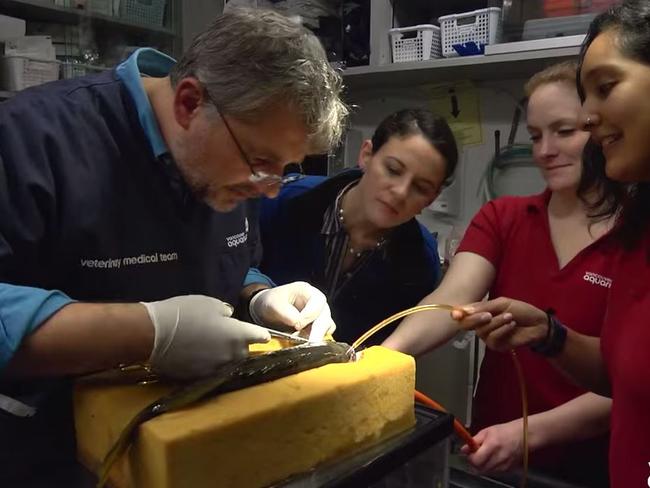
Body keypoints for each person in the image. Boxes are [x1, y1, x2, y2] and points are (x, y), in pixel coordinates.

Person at [0, 8, 347, 484]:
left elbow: (230, 258)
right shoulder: (30, 139)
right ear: (188, 103)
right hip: (47, 456)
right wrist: (148, 332)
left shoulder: (232, 159)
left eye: (284, 170)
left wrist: (259, 296)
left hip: (185, 450)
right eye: (262, 162)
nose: (270, 190)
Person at [383, 62, 619, 486]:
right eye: (534, 135)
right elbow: (451, 299)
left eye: (564, 131)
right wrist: (385, 356)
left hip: (588, 467)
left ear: (602, 128)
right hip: (492, 456)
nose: (544, 149)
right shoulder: (504, 217)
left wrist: (526, 434)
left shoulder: (635, 237)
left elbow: (630, 380)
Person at [453, 2, 650, 487]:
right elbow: (622, 373)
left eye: (605, 89)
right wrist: (549, 332)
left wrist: (530, 431)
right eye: (537, 134)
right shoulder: (637, 236)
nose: (590, 117)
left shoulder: (624, 230)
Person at [258, 109, 458, 345]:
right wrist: (259, 297)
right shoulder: (286, 202)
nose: (401, 192)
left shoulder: (420, 261)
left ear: (431, 199)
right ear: (366, 155)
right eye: (393, 170)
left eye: (421, 188)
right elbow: (233, 274)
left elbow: (387, 350)